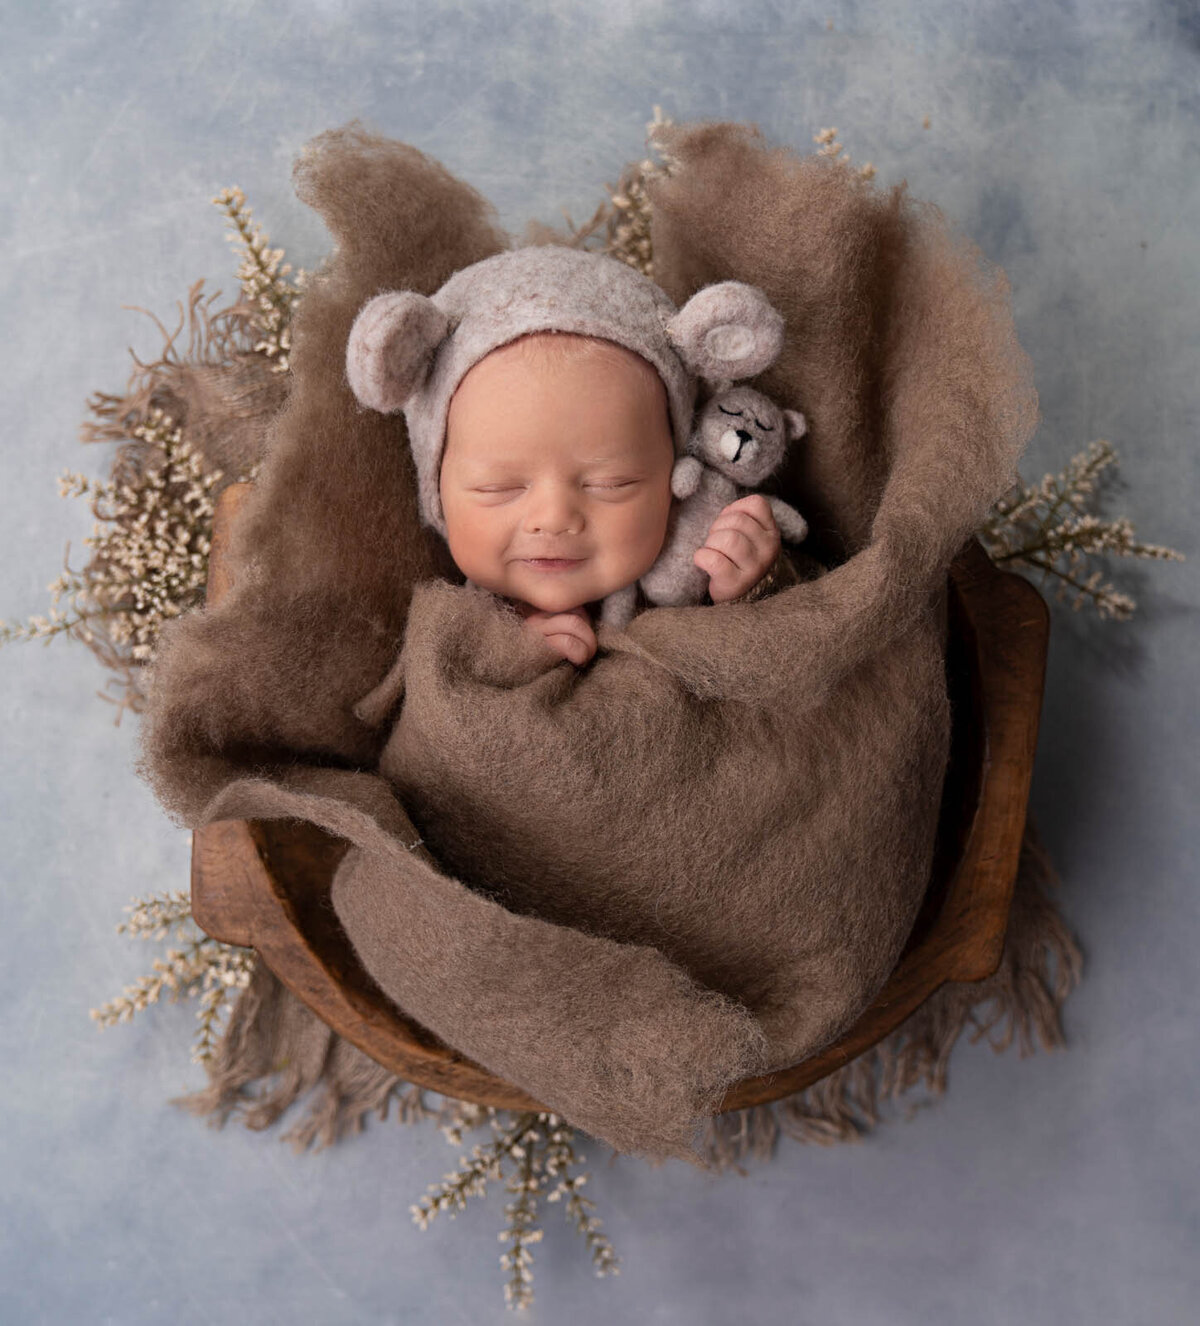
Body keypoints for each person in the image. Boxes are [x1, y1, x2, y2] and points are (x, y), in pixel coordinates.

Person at [438, 328, 782, 666]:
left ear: (675, 482)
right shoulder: (449, 633)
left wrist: (746, 591)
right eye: (499, 487)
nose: (553, 518)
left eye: (610, 483)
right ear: (437, 494)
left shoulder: (689, 568)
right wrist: (504, 659)